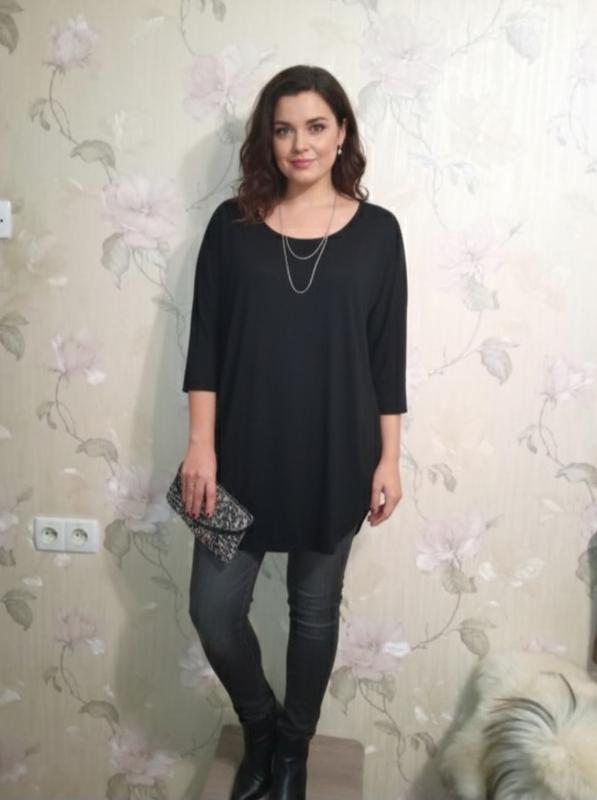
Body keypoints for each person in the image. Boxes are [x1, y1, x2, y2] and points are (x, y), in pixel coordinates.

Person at [180, 65, 408, 800]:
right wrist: (200, 445)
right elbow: (205, 343)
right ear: (267, 139)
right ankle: (261, 728)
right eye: (283, 129)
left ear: (342, 133)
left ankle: (292, 753)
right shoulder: (232, 226)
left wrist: (390, 458)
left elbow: (386, 357)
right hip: (237, 456)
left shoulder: (379, 233)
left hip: (336, 455)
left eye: (315, 126)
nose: (299, 144)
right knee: (213, 611)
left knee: (312, 614)